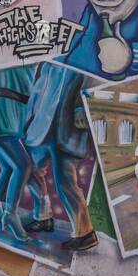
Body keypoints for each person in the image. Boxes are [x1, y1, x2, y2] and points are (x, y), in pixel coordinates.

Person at [23, 63, 98, 252]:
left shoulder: (83, 56)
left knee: (65, 183)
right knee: (30, 169)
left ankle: (85, 233)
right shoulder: (49, 61)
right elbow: (37, 91)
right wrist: (28, 119)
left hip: (65, 127)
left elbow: (90, 83)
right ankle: (43, 217)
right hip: (41, 127)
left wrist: (80, 107)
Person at [0, 66, 45, 243]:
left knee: (8, 167)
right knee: (23, 166)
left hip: (11, 112)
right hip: (3, 111)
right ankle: (10, 213)